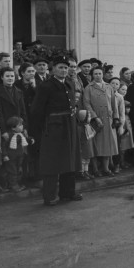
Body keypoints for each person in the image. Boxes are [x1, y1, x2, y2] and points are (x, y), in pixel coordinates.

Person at [30, 55, 82, 206]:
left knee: (69, 159)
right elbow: (37, 110)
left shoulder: (70, 83)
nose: (64, 70)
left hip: (69, 126)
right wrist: (38, 131)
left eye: (66, 68)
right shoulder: (46, 86)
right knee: (52, 162)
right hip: (53, 128)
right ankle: (50, 195)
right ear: (52, 69)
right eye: (60, 67)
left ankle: (67, 193)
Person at [83, 67, 119, 176]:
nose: (98, 75)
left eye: (100, 73)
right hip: (95, 120)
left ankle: (106, 168)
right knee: (95, 145)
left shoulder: (108, 87)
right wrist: (95, 117)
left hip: (108, 119)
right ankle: (95, 169)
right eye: (95, 74)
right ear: (92, 75)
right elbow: (87, 103)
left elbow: (114, 103)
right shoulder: (89, 88)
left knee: (107, 145)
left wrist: (116, 117)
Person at [3, 116, 30, 192]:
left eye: (22, 124)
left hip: (20, 155)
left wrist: (30, 139)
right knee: (12, 171)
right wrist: (5, 155)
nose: (22, 126)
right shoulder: (9, 135)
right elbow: (4, 145)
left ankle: (17, 183)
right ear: (13, 128)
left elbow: (26, 140)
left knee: (18, 170)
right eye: (20, 125)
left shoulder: (21, 134)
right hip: (11, 156)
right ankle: (13, 185)